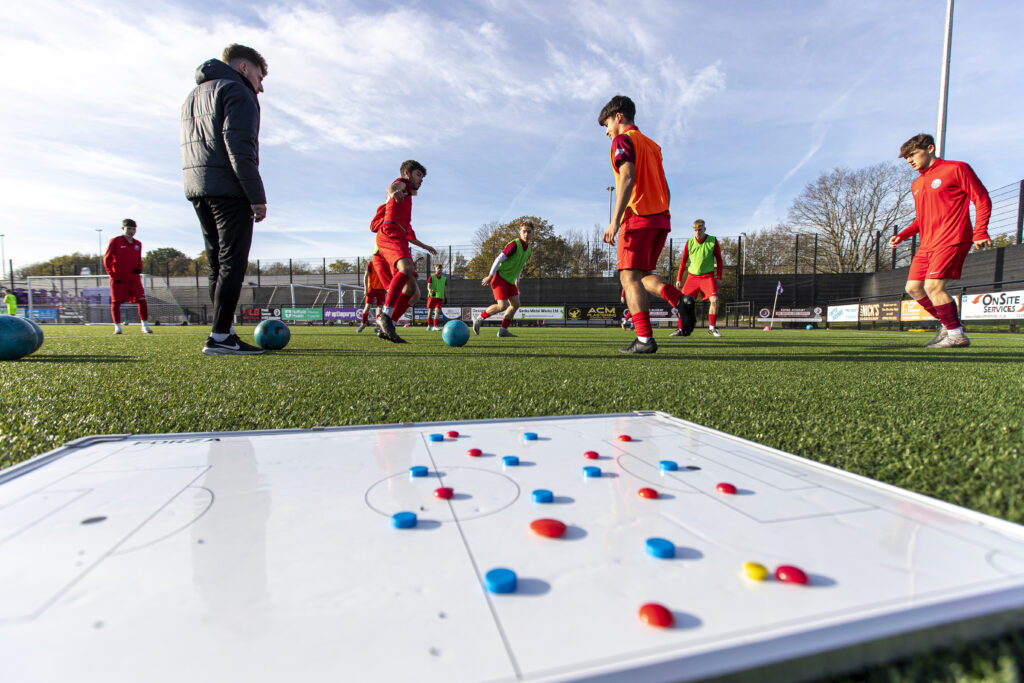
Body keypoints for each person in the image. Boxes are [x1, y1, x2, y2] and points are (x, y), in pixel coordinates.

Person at [182, 44, 268, 355]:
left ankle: (224, 331)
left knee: (216, 263)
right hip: (229, 187)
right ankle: (220, 337)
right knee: (232, 262)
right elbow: (239, 145)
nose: (260, 86)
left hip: (198, 187)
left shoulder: (193, 96)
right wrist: (256, 196)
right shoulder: (237, 90)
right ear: (244, 67)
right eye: (259, 77)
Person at [599, 95, 693, 354]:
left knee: (628, 278)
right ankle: (680, 300)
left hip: (638, 217)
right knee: (643, 276)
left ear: (618, 117)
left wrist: (615, 221)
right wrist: (661, 213)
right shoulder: (652, 145)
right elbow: (666, 188)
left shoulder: (622, 140)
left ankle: (644, 339)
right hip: (660, 218)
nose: (606, 132)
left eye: (607, 124)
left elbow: (627, 176)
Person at [889, 133, 991, 348]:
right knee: (913, 288)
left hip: (952, 238)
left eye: (913, 154)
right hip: (927, 244)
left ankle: (956, 335)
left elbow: (981, 198)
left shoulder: (957, 168)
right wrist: (902, 234)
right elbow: (921, 218)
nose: (909, 161)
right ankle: (951, 325)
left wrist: (980, 231)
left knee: (933, 286)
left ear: (930, 149)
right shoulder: (917, 184)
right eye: (906, 158)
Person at [371, 160, 438, 343]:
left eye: (423, 177)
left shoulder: (406, 206)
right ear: (407, 173)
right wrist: (393, 192)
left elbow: (410, 235)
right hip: (389, 234)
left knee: (413, 292)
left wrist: (426, 247)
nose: (421, 180)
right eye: (418, 175)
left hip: (399, 237)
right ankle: (385, 316)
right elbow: (393, 187)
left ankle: (388, 326)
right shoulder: (403, 183)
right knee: (406, 268)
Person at [473, 220, 534, 338]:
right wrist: (490, 276)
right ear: (520, 233)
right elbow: (498, 259)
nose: (526, 234)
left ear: (533, 233)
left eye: (529, 231)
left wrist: (517, 284)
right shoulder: (514, 245)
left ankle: (503, 331)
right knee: (502, 306)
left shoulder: (528, 250)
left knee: (516, 304)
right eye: (524, 231)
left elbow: (520, 267)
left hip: (510, 281)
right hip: (499, 277)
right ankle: (479, 318)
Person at [673, 219, 724, 337]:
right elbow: (683, 262)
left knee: (715, 300)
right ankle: (680, 329)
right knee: (682, 303)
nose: (697, 233)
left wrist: (719, 277)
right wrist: (679, 278)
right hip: (692, 277)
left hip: (707, 277)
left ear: (704, 229)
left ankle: (712, 329)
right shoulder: (689, 242)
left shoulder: (712, 241)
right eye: (695, 230)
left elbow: (719, 260)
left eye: (700, 230)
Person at [103, 219, 152, 334]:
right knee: (116, 302)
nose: (131, 231)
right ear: (123, 229)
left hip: (134, 278)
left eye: (134, 229)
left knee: (142, 299)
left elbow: (138, 259)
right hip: (118, 278)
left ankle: (144, 325)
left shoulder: (138, 244)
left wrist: (139, 268)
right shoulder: (115, 241)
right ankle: (117, 327)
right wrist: (112, 274)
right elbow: (107, 259)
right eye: (129, 228)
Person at [357, 257, 387, 333]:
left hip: (381, 289)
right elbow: (366, 276)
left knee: (380, 309)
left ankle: (377, 326)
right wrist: (365, 289)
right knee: (367, 306)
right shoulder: (371, 263)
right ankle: (363, 323)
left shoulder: (386, 264)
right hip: (372, 288)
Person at [426, 263, 447, 331]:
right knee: (430, 311)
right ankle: (429, 325)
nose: (439, 269)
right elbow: (428, 287)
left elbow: (444, 288)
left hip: (440, 297)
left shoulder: (444, 278)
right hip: (432, 297)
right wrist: (431, 291)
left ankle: (435, 326)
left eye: (440, 268)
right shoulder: (432, 277)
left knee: (437, 311)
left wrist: (445, 297)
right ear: (435, 269)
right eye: (438, 268)